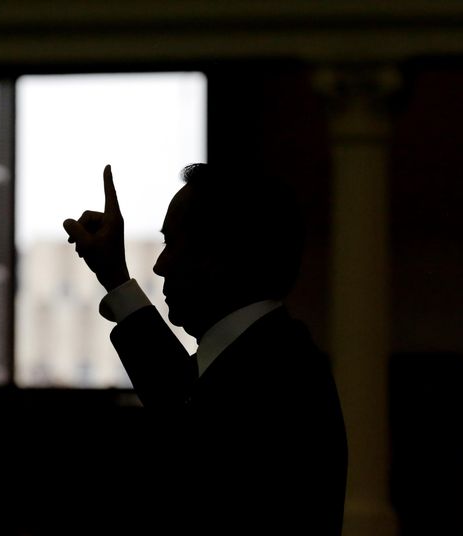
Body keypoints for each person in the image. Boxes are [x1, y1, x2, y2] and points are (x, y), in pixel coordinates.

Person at [64, 163, 348, 535]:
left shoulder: (275, 381)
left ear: (219, 256)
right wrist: (115, 278)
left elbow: (187, 430)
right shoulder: (274, 358)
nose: (159, 265)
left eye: (171, 243)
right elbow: (181, 398)